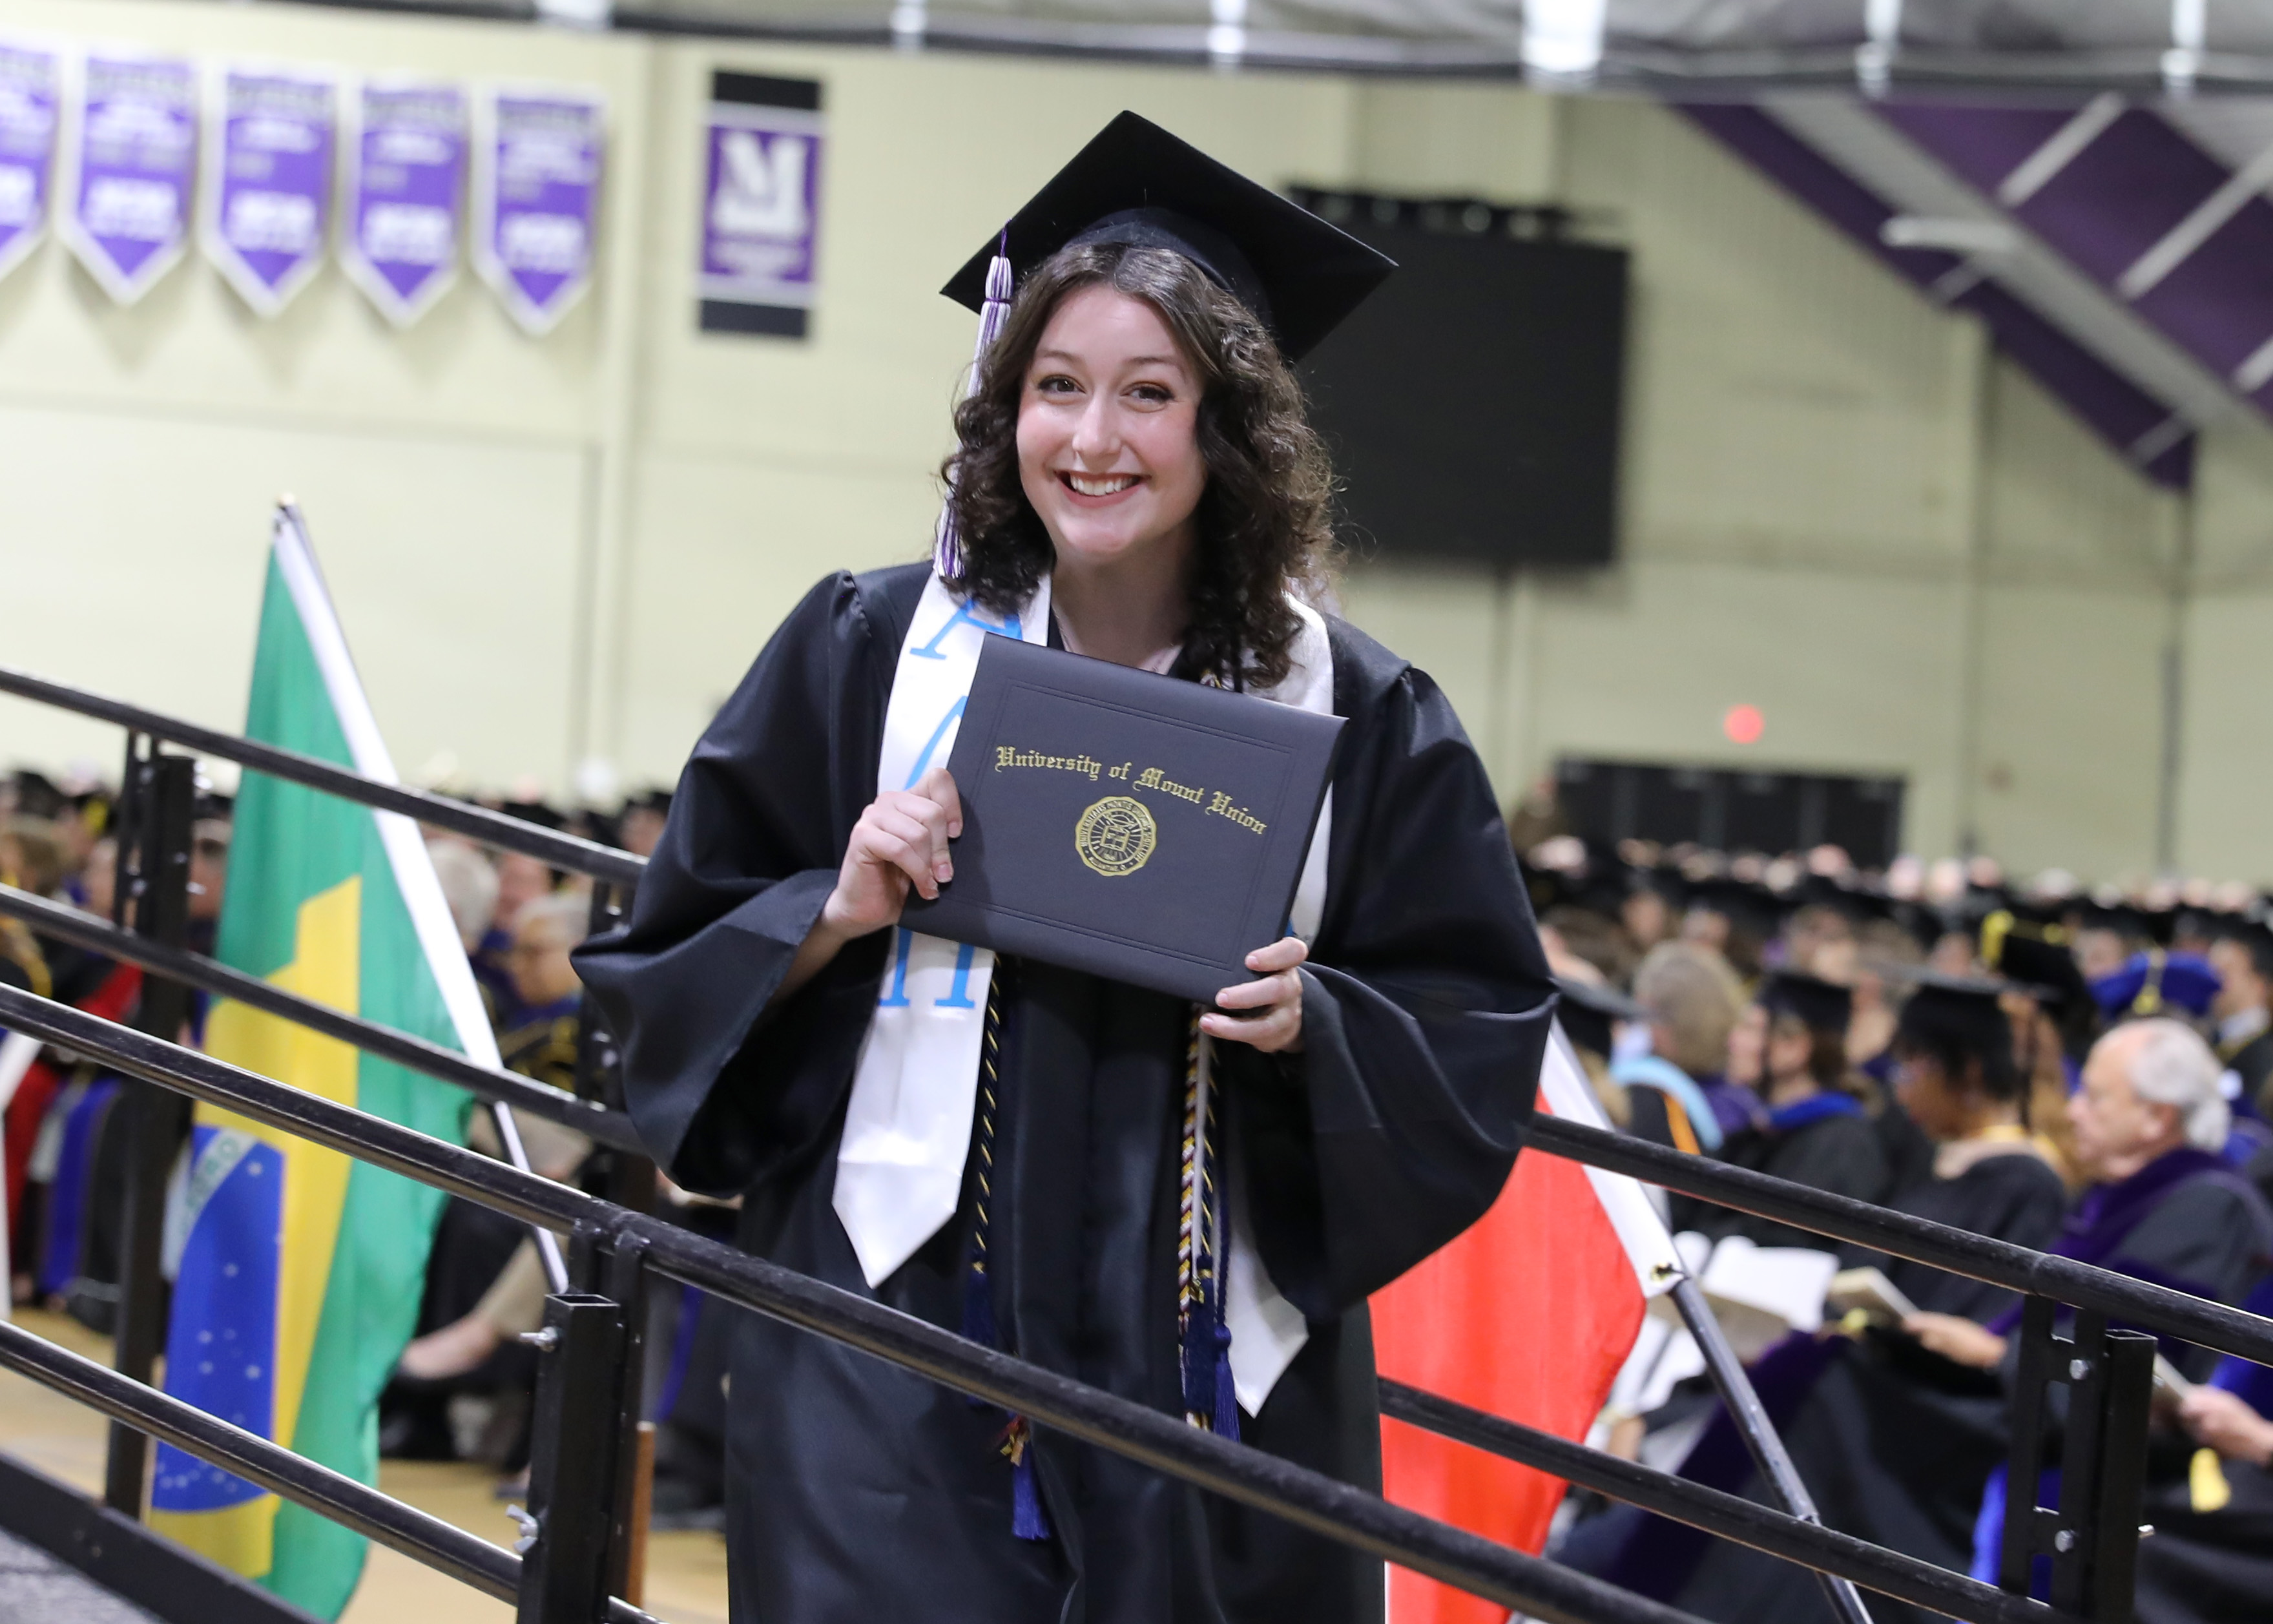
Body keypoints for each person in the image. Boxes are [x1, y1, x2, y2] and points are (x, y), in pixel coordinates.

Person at [573, 112, 1555, 1624]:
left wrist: (1325, 1025)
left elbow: (1471, 1019)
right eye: (1054, 387)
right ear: (1003, 408)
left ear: (1228, 431)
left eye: (1148, 395)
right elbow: (663, 956)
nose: (1091, 439)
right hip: (888, 1338)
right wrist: (828, 910)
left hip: (1206, 1357)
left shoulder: (1361, 713)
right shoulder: (863, 650)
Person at [1569, 978, 2070, 1624]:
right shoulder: (1933, 1157)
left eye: (1916, 1062)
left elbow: (1975, 1321)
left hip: (1890, 1420)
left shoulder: (2025, 1182)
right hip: (1846, 1380)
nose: (1902, 1081)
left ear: (1966, 1069)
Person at [1680, 972, 1892, 1245]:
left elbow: (1783, 1245)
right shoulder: (1760, 1132)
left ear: (1794, 1047)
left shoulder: (1841, 1145)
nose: (1735, 1041)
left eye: (1752, 1029)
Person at [2206, 921, 2273, 1112]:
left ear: (2259, 984)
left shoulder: (2265, 1060)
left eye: (2224, 972)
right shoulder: (2213, 1040)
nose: (2213, 982)